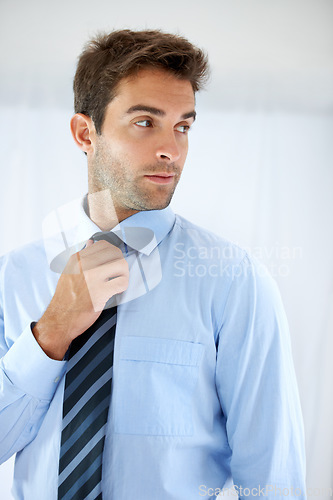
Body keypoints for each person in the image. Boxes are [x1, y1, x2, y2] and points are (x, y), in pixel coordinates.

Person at [0, 29, 306, 499]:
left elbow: (273, 477)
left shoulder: (233, 281)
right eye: (146, 122)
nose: (173, 150)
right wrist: (52, 332)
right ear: (86, 133)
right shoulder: (14, 276)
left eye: (183, 126)